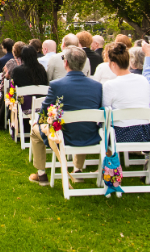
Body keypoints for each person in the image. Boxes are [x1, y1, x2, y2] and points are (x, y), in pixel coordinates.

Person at [29, 46, 102, 186]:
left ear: (66, 63)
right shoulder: (97, 86)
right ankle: (78, 169)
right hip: (89, 135)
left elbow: (45, 110)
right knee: (82, 124)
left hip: (64, 136)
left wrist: (39, 123)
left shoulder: (57, 85)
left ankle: (41, 174)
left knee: (34, 130)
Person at [101, 43, 150, 142]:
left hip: (119, 134)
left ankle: (109, 155)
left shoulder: (110, 85)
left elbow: (106, 111)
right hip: (144, 133)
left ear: (113, 64)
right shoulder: (143, 80)